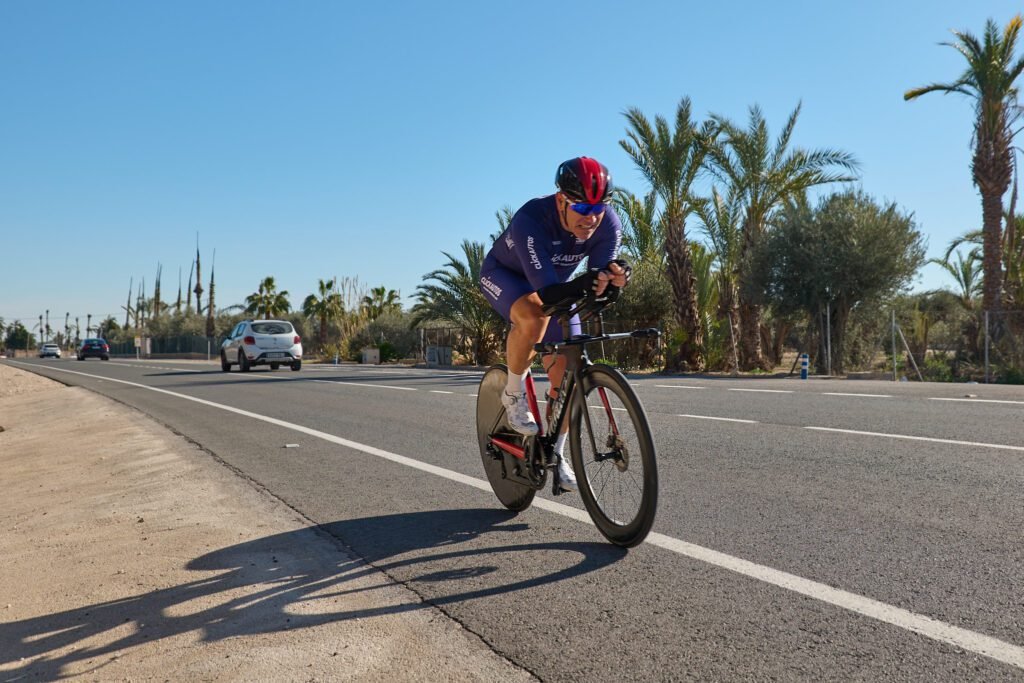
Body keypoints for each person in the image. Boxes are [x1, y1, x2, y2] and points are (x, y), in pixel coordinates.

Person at [479, 156, 631, 493]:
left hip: (554, 287)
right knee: (535, 315)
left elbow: (600, 270)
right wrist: (590, 281)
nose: (591, 217)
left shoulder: (607, 223)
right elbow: (545, 293)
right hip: (506, 277)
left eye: (599, 207)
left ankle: (556, 454)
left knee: (569, 369)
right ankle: (514, 392)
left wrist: (615, 277)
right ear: (562, 200)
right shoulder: (532, 219)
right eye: (581, 207)